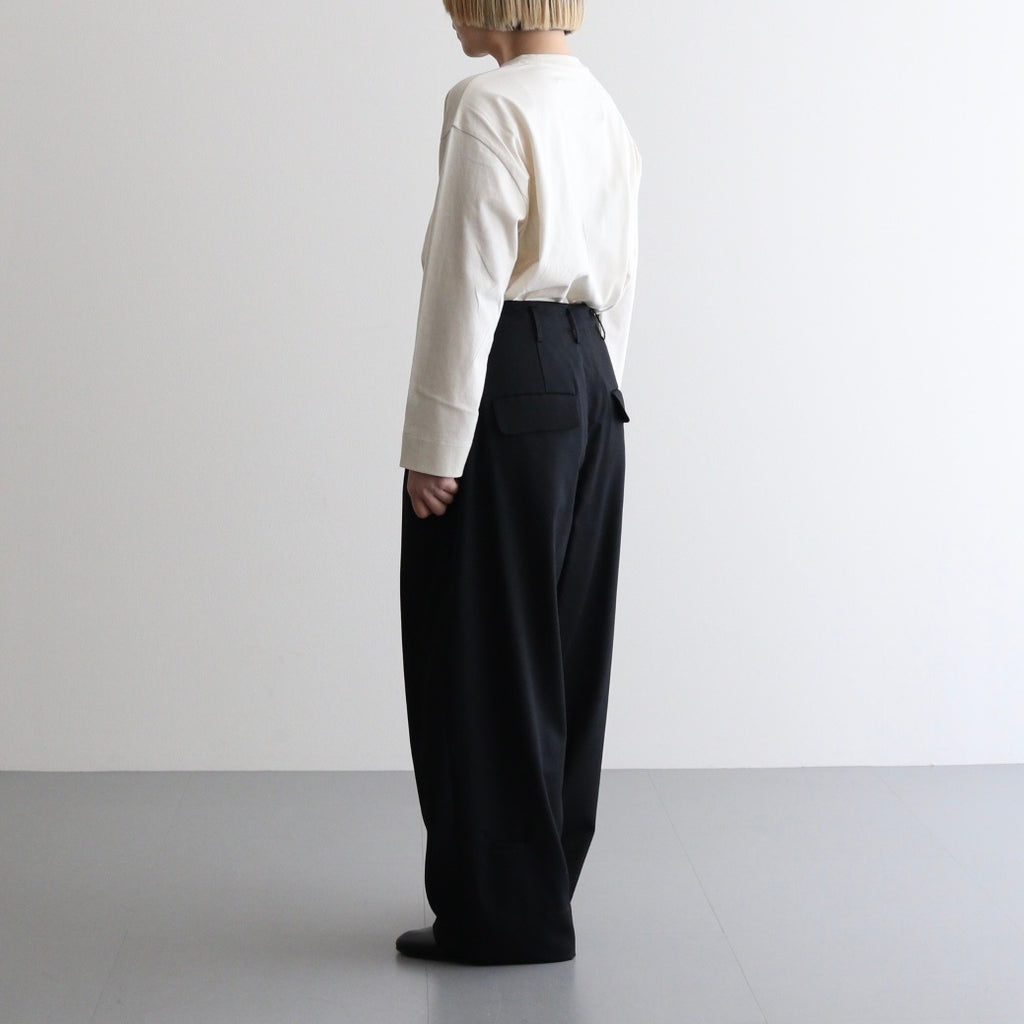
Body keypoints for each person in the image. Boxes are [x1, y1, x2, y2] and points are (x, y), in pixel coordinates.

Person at [397, 0, 641, 965]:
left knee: (480, 649)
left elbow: (466, 278)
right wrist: (596, 402)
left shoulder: (489, 103)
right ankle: (542, 891)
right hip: (592, 383)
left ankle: (498, 916)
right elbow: (622, 278)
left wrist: (434, 440)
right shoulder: (604, 109)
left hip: (507, 376)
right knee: (565, 649)